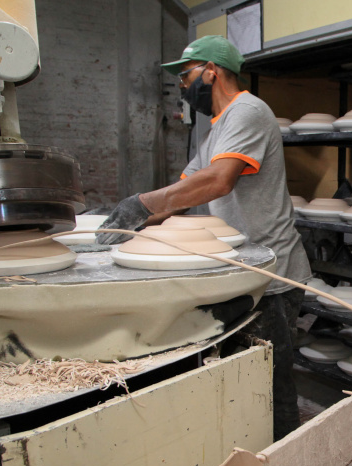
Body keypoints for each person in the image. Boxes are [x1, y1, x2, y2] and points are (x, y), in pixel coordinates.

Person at [97, 35, 312, 440]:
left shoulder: (247, 111)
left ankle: (283, 459)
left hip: (272, 273)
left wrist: (142, 202)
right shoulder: (213, 127)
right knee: (242, 374)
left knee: (271, 381)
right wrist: (135, 225)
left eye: (186, 74)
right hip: (241, 268)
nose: (182, 85)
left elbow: (218, 180)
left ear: (211, 71)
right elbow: (188, 187)